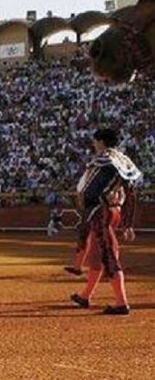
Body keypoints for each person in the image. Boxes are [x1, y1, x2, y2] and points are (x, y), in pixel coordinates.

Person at [69, 129, 142, 315]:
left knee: (107, 253)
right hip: (115, 209)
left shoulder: (104, 160)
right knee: (97, 253)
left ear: (101, 142)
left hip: (100, 211)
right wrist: (127, 222)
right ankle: (85, 296)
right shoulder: (123, 160)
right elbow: (131, 193)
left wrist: (87, 210)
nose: (94, 144)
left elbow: (88, 191)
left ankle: (121, 302)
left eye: (95, 141)